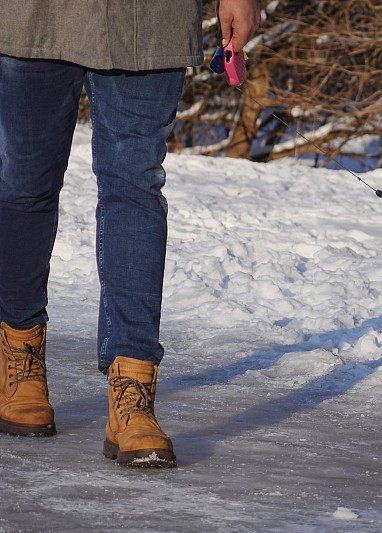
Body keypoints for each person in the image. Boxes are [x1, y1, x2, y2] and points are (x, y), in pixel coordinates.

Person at [0, 0, 260, 467]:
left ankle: (133, 390)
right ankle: (19, 357)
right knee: (24, 184)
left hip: (149, 19)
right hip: (30, 14)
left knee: (135, 186)